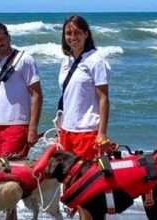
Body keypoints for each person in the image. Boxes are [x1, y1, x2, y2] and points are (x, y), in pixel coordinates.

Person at [57, 15, 112, 219]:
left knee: (87, 192)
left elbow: (104, 99)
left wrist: (102, 133)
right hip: (67, 132)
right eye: (68, 33)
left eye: (77, 33)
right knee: (70, 189)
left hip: (88, 133)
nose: (73, 37)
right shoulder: (66, 61)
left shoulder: (96, 61)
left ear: (86, 34)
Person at [0, 23, 43, 162]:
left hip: (17, 126)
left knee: (10, 172)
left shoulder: (24, 59)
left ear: (9, 38)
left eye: (1, 39)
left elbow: (37, 95)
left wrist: (32, 129)